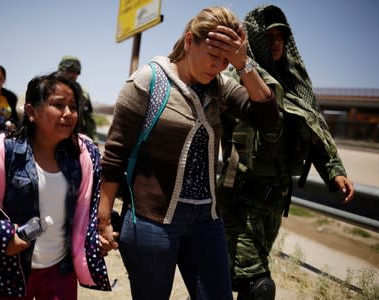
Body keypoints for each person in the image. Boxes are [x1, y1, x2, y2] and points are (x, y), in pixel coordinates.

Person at [98, 6, 283, 300]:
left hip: (206, 220)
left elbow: (269, 120)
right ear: (189, 41)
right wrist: (104, 218)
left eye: (226, 59)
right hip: (151, 222)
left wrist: (243, 63)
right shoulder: (148, 82)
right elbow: (115, 155)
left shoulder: (221, 86)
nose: (219, 66)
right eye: (214, 56)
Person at [217, 4, 355, 300]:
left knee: (234, 279)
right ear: (254, 40)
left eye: (281, 36)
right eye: (269, 37)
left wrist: (334, 171)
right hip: (240, 199)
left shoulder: (295, 83)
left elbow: (314, 130)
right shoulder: (235, 77)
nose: (277, 42)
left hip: (275, 202)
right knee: (258, 286)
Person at [0, 72, 111, 299]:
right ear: (31, 112)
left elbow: (89, 205)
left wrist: (98, 233)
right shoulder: (2, 152)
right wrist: (3, 236)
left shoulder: (83, 154)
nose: (69, 113)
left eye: (73, 106)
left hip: (60, 272)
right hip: (10, 272)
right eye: (58, 105)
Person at [58, 55, 97, 141]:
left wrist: (94, 140)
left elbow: (89, 120)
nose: (72, 75)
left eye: (75, 72)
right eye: (69, 71)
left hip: (75, 139)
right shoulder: (49, 89)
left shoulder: (84, 95)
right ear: (60, 70)